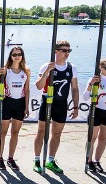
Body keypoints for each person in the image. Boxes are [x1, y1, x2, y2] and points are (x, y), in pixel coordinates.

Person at [33, 40, 79, 174]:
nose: (67, 53)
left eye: (69, 51)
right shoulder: (46, 66)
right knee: (41, 132)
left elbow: (75, 88)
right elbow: (39, 86)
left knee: (57, 133)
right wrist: (47, 71)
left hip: (61, 104)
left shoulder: (72, 68)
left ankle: (51, 160)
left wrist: (75, 107)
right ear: (56, 51)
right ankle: (36, 160)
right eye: (64, 50)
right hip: (47, 102)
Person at [0, 46, 30, 171]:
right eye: (14, 54)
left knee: (15, 133)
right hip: (7, 102)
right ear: (10, 56)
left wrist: (26, 107)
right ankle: (0, 158)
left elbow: (26, 90)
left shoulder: (26, 71)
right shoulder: (6, 70)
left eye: (19, 54)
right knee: (3, 132)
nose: (17, 56)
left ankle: (10, 158)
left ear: (22, 56)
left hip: (20, 104)